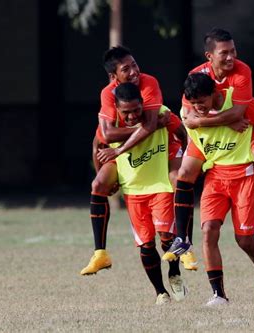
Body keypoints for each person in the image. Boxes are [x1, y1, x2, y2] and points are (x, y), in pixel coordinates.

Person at [162, 28, 254, 262]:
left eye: (233, 50)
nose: (231, 57)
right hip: (215, 133)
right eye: (224, 53)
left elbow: (239, 113)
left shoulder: (242, 71)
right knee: (184, 173)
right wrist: (222, 122)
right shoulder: (196, 78)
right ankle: (182, 237)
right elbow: (189, 118)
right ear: (209, 56)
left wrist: (215, 120)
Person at [80, 46, 193, 275]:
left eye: (134, 64)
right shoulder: (108, 94)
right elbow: (104, 138)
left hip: (155, 150)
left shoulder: (148, 83)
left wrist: (185, 151)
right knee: (98, 185)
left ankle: (185, 243)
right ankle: (100, 253)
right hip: (125, 155)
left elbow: (157, 125)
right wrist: (105, 171)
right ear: (114, 78)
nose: (134, 71)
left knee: (177, 179)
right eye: (126, 68)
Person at [177, 73, 254, 306]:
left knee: (245, 241)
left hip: (246, 177)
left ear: (215, 94)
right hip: (216, 177)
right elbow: (195, 134)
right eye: (194, 103)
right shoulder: (189, 113)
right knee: (209, 230)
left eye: (202, 101)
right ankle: (218, 294)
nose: (198, 107)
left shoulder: (241, 104)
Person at [97, 82, 187, 305]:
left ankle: (174, 273)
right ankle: (160, 292)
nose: (131, 116)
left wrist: (183, 162)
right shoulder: (111, 125)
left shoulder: (160, 113)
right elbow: (97, 145)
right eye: (125, 112)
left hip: (160, 185)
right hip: (133, 190)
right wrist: (106, 177)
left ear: (143, 104)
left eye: (136, 110)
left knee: (166, 236)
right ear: (117, 108)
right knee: (146, 244)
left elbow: (181, 132)